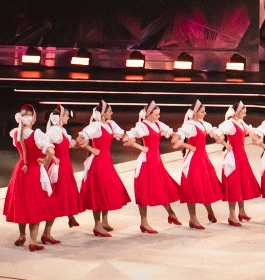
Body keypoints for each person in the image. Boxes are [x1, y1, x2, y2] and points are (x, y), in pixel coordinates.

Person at [3, 104, 56, 251]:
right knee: (35, 204)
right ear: (32, 119)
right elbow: (51, 151)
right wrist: (45, 160)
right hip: (33, 171)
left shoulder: (16, 133)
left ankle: (22, 235)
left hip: (20, 170)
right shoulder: (36, 134)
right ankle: (33, 241)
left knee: (22, 203)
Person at [124, 101, 181, 233]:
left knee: (162, 187)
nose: (158, 117)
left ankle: (171, 213)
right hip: (146, 162)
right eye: (156, 114)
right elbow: (126, 140)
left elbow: (171, 133)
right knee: (144, 190)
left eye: (159, 114)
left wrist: (181, 136)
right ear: (148, 115)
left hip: (156, 160)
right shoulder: (142, 126)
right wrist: (141, 147)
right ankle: (144, 222)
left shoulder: (157, 124)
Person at [77, 101, 130, 237]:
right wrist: (91, 149)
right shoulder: (95, 126)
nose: (112, 113)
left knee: (107, 189)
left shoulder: (110, 124)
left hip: (106, 161)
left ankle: (105, 221)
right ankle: (97, 225)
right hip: (98, 162)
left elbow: (122, 135)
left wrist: (131, 137)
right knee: (99, 192)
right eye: (110, 111)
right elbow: (80, 139)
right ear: (102, 113)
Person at [171, 100, 225, 230]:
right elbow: (175, 141)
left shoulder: (203, 124)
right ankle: (193, 218)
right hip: (194, 160)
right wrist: (188, 146)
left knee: (205, 185)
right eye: (202, 112)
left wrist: (220, 139)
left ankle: (210, 211)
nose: (205, 113)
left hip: (203, 158)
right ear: (195, 113)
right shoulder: (189, 126)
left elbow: (214, 134)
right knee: (193, 187)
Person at [38, 105, 83, 231]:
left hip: (65, 166)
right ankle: (46, 233)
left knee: (65, 193)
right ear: (60, 117)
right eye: (67, 115)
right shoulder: (54, 131)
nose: (68, 118)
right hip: (59, 168)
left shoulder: (61, 130)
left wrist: (82, 140)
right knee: (57, 197)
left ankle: (71, 217)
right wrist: (52, 157)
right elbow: (45, 144)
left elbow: (71, 144)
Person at [218, 101, 262, 227]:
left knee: (241, 183)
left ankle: (241, 212)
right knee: (234, 185)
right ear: (236, 113)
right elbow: (216, 133)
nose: (245, 115)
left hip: (241, 157)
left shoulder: (240, 122)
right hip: (233, 158)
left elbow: (251, 132)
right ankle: (231, 215)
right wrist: (226, 144)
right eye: (243, 112)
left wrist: (258, 139)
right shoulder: (229, 124)